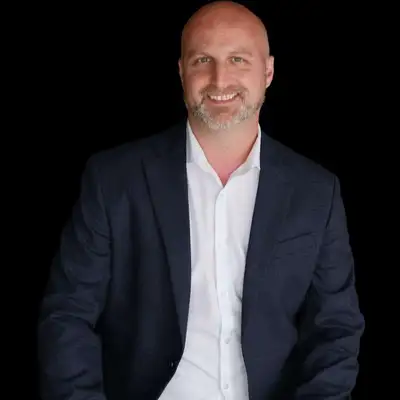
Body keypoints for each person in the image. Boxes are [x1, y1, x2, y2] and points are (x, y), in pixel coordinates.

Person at [37, 1, 365, 399]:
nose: (219, 78)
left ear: (268, 72)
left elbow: (336, 330)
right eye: (202, 60)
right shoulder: (114, 181)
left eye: (238, 60)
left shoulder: (317, 192)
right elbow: (68, 315)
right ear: (182, 72)